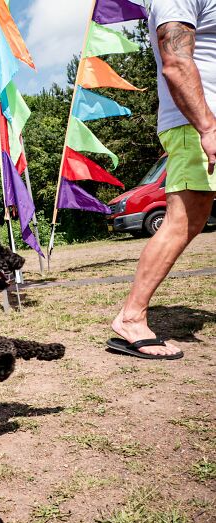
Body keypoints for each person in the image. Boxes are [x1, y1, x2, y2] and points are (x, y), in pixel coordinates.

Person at [109, 0, 216, 359]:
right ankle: (131, 317)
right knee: (183, 220)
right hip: (196, 123)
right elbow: (175, 62)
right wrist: (208, 126)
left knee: (190, 219)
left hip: (203, 123)